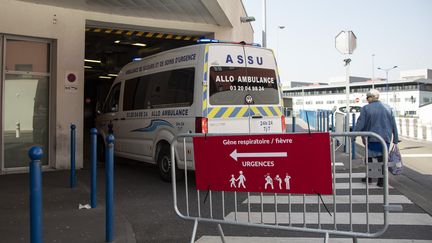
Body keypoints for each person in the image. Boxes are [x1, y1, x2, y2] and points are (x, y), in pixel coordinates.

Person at [354, 89, 399, 187]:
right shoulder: (388, 108)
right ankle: (381, 180)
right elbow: (394, 125)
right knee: (382, 158)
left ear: (371, 97)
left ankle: (370, 177)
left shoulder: (366, 108)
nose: (367, 99)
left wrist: (353, 135)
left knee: (370, 157)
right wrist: (395, 138)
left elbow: (360, 124)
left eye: (367, 97)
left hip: (372, 137)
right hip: (385, 138)